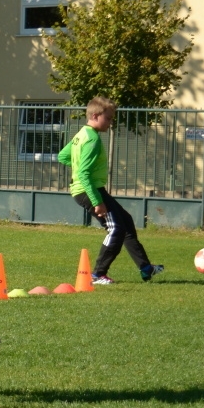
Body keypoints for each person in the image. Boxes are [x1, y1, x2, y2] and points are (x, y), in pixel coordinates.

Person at [57, 97, 163, 285]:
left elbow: (63, 156)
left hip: (92, 189)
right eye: (108, 118)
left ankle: (146, 268)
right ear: (95, 116)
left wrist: (78, 165)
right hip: (89, 191)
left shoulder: (81, 134)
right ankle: (98, 275)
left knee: (126, 222)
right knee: (115, 229)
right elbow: (83, 172)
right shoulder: (92, 139)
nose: (110, 122)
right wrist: (97, 201)